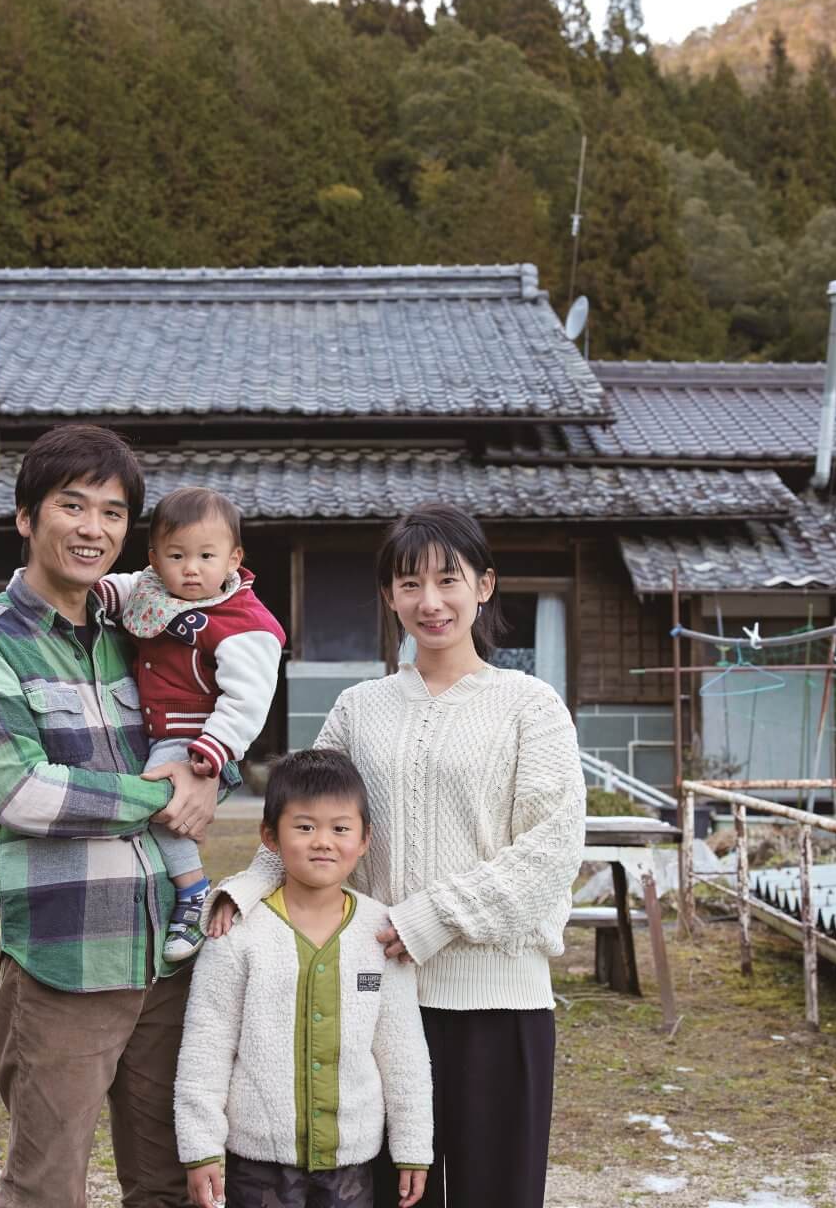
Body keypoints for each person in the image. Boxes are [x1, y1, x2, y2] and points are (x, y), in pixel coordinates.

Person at [209, 503, 585, 1208]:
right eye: (409, 584)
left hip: (498, 1004)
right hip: (374, 999)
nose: (430, 601)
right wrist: (247, 889)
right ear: (389, 596)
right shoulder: (359, 707)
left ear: (485, 585)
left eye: (449, 579)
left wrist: (433, 917)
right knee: (382, 1198)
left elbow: (553, 846)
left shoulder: (529, 705)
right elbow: (305, 818)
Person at [0, 423, 223, 1208]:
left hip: (167, 955)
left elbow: (201, 715)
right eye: (72, 506)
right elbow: (24, 794)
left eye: (114, 512)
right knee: (48, 1187)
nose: (93, 529)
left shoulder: (137, 626)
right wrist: (163, 795)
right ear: (26, 517)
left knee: (171, 1183)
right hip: (66, 961)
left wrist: (204, 774)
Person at [175, 749, 431, 1208]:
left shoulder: (381, 933)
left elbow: (403, 1052)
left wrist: (413, 1146)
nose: (323, 842)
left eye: (340, 828)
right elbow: (206, 1045)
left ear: (365, 838)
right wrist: (200, 1149)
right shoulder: (237, 931)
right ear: (270, 837)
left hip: (352, 1162)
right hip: (257, 1164)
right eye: (305, 827)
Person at [96, 486, 286, 962]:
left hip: (196, 737)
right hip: (155, 729)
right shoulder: (153, 591)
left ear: (233, 558)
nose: (191, 568)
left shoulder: (243, 623)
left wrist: (215, 747)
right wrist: (88, 590)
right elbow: (124, 588)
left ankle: (193, 892)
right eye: (176, 555)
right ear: (155, 558)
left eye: (206, 555)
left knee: (163, 808)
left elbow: (248, 697)